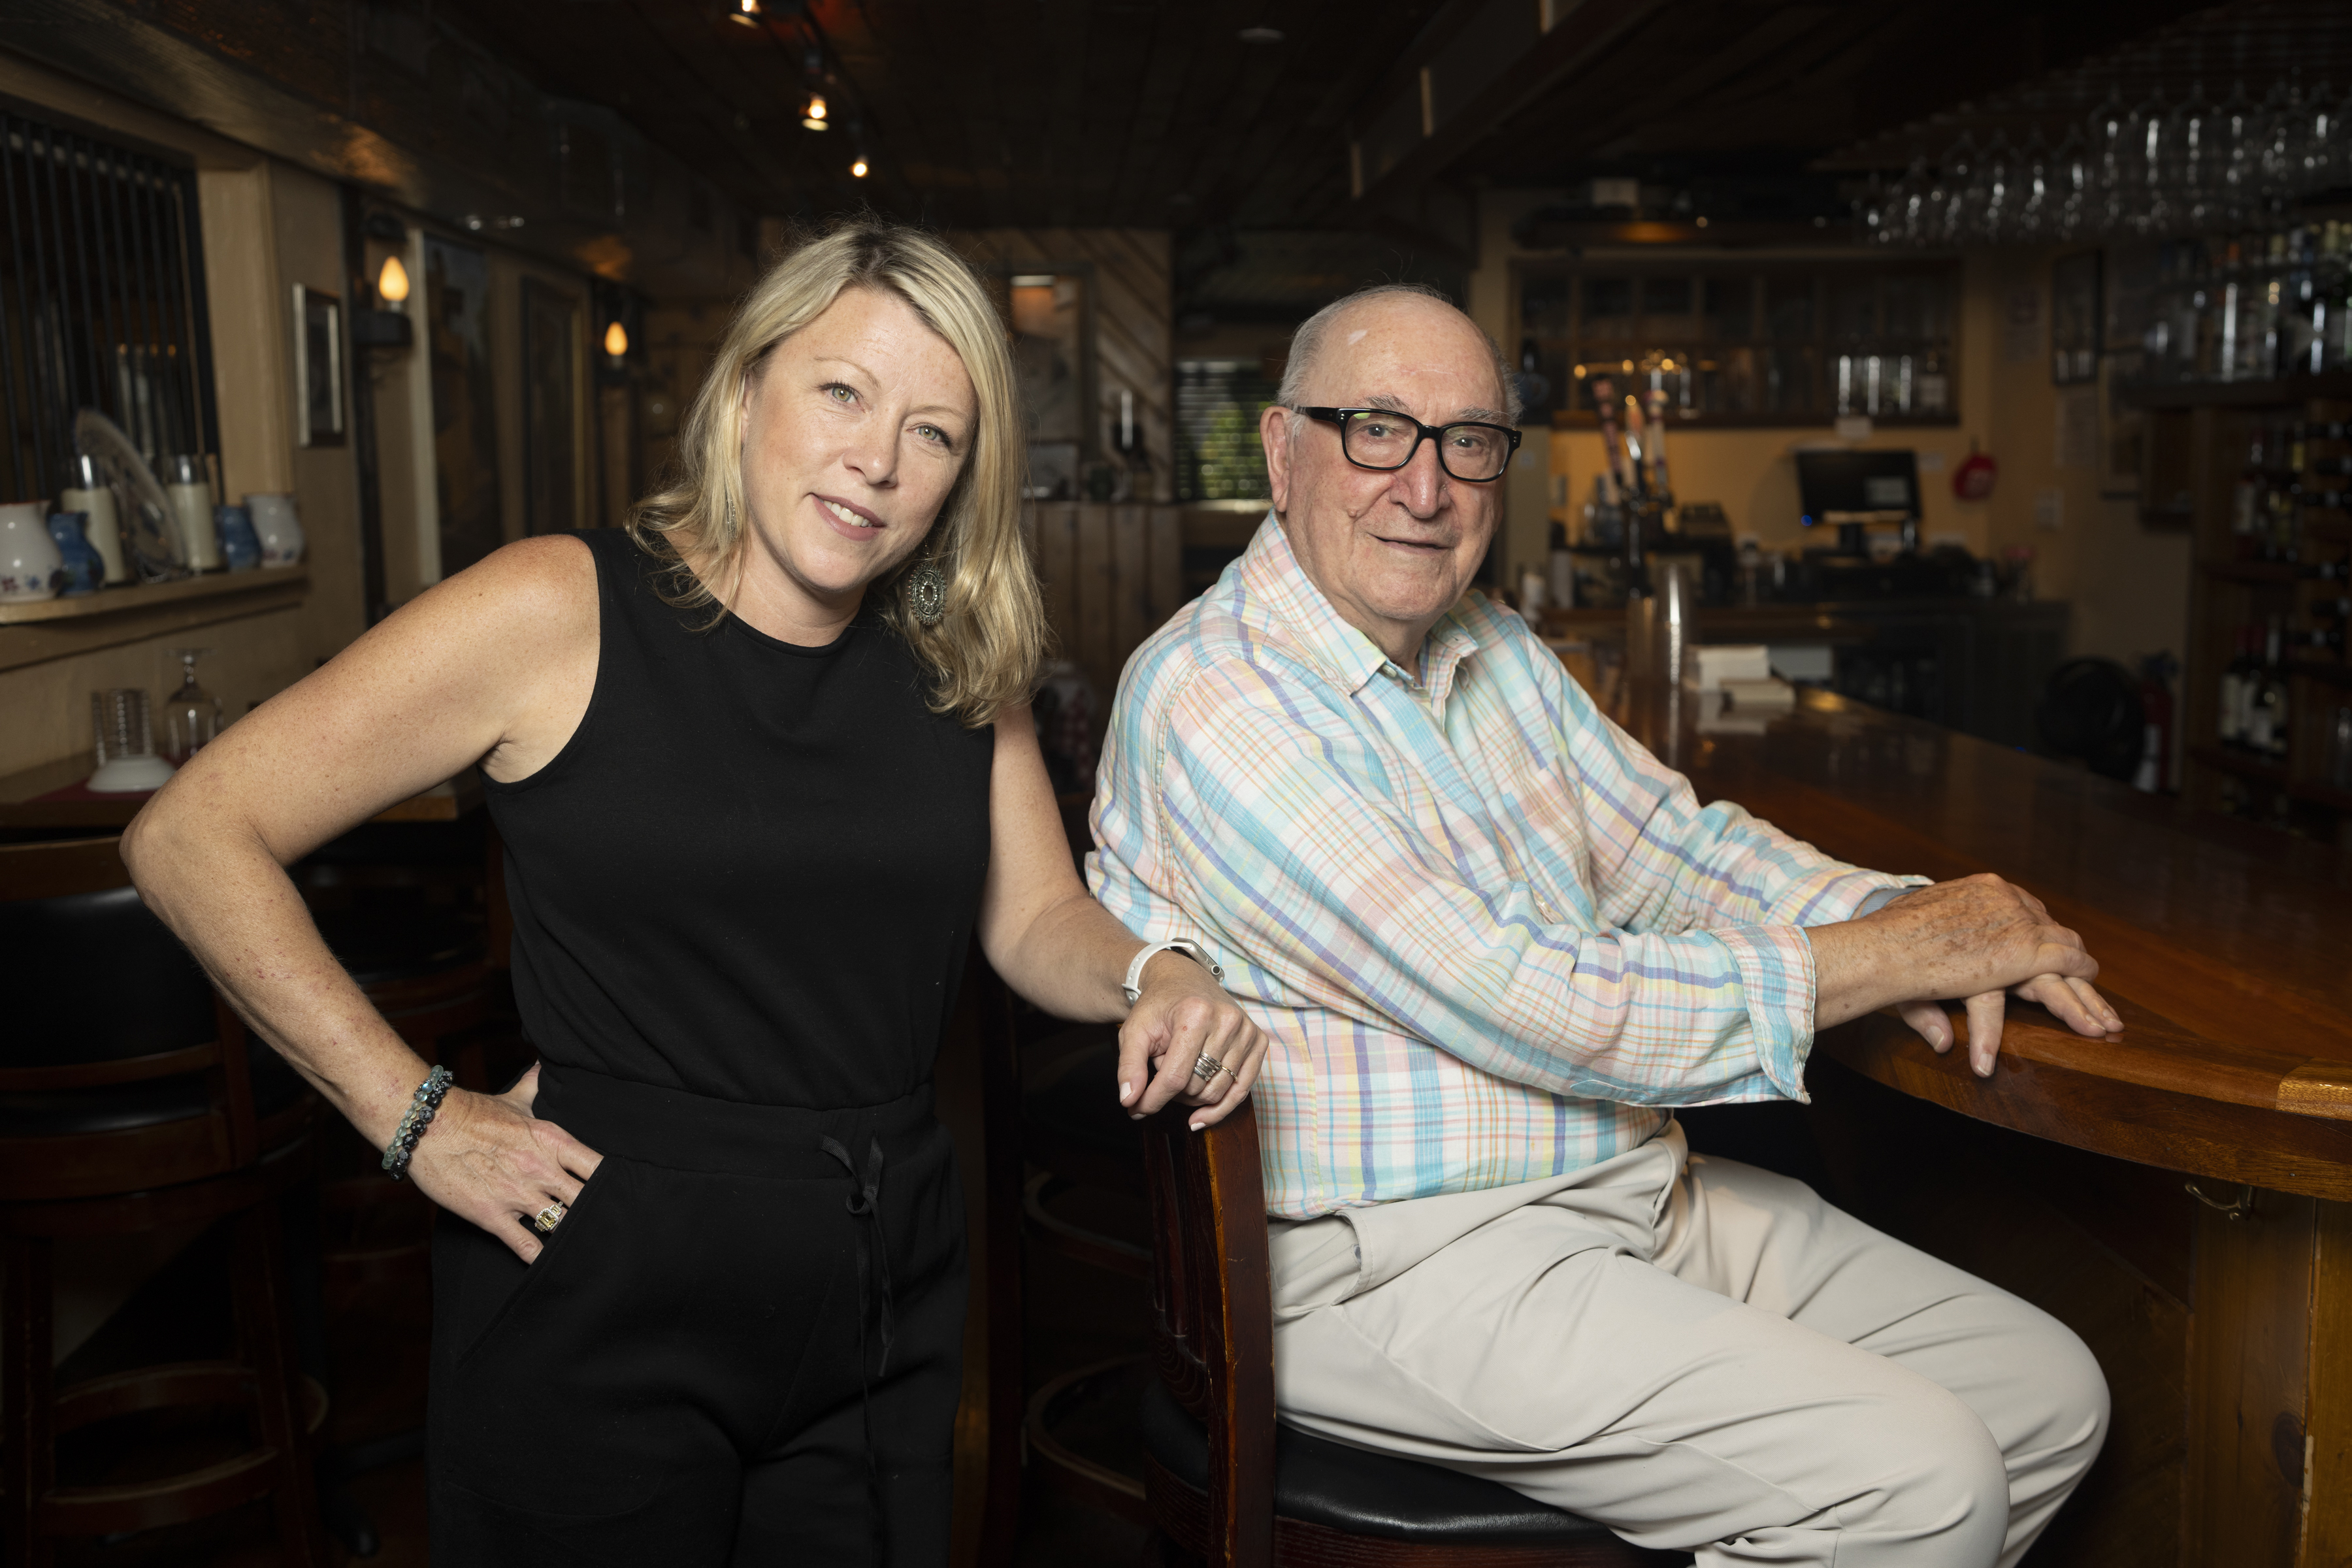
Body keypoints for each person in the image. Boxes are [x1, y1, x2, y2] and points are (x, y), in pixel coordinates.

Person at [125, 218, 1268, 1567]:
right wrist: (411, 1114)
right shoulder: (560, 606)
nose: (877, 460)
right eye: (841, 391)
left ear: (965, 476)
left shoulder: (960, 657)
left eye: (934, 433)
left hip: (883, 1279)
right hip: (603, 1272)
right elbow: (194, 831)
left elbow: (1032, 920)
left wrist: (1159, 969)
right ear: (743, 395)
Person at [1089, 281, 2119, 1568]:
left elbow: (1676, 849)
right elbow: (1535, 998)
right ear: (1284, 452)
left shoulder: (1490, 645)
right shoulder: (1218, 698)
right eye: (1379, 433)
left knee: (2046, 1394)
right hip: (1407, 1260)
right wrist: (1895, 957)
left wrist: (1896, 911)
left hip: (1626, 1196)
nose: (1427, 487)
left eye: (1470, 441)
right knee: (1920, 1481)